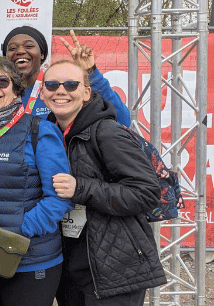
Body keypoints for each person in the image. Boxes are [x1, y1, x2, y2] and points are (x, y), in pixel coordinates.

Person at [41, 60, 165, 306]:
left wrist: (81, 188)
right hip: (71, 265)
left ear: (87, 92)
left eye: (71, 84)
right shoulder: (49, 133)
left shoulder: (107, 132)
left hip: (114, 268)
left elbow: (148, 192)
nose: (61, 91)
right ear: (43, 92)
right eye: (52, 85)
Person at [0, 54, 72, 306]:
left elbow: (60, 198)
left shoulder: (39, 130)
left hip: (29, 261)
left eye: (3, 81)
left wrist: (19, 230)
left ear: (15, 90)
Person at [3, 27, 130, 127]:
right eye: (12, 48)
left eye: (29, 46)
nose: (19, 51)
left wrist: (90, 72)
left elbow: (122, 120)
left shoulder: (61, 90)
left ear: (42, 54)